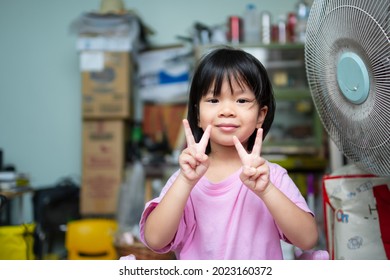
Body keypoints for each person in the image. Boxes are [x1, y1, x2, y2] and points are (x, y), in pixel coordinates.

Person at [139, 46, 319, 260]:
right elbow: (155, 239)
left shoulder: (272, 177)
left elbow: (307, 239)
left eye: (241, 100)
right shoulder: (185, 178)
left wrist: (266, 190)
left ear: (261, 115)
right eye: (213, 100)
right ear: (197, 114)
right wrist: (186, 181)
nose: (226, 110)